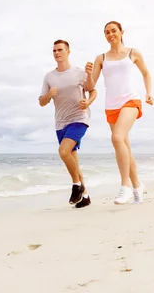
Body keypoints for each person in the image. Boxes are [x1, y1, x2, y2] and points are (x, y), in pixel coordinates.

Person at [84, 21, 154, 205]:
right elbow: (90, 86)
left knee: (116, 138)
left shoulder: (133, 53)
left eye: (113, 30)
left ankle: (125, 187)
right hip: (111, 105)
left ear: (122, 32)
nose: (110, 34)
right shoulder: (101, 58)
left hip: (130, 100)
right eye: (106, 32)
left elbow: (146, 73)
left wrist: (149, 93)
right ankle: (138, 185)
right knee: (124, 147)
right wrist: (88, 74)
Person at [39, 39, 97, 208]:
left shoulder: (79, 73)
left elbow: (93, 90)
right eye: (54, 51)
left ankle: (76, 186)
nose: (57, 53)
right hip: (60, 123)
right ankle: (85, 197)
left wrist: (89, 102)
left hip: (79, 118)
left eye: (60, 50)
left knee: (63, 152)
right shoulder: (49, 77)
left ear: (68, 52)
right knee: (72, 158)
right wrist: (49, 94)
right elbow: (42, 102)